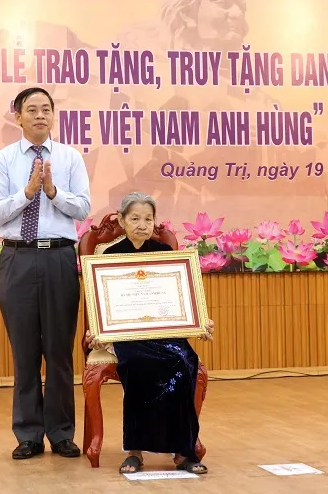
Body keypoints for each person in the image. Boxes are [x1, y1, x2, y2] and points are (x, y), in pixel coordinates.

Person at [0, 86, 91, 460]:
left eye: (46, 109)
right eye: (32, 110)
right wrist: (28, 193)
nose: (40, 116)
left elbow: (83, 208)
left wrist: (53, 191)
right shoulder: (3, 160)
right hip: (18, 258)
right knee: (25, 352)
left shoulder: (70, 157)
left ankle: (61, 433)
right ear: (18, 117)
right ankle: (28, 434)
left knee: (59, 351)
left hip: (59, 258)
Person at [83, 192, 215, 475]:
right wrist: (98, 330)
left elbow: (182, 299)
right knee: (136, 363)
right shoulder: (109, 256)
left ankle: (183, 451)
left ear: (154, 222)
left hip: (165, 333)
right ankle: (134, 451)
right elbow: (102, 304)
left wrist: (199, 322)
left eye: (148, 219)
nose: (142, 225)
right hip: (127, 335)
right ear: (122, 221)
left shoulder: (165, 253)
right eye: (135, 219)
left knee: (183, 361)